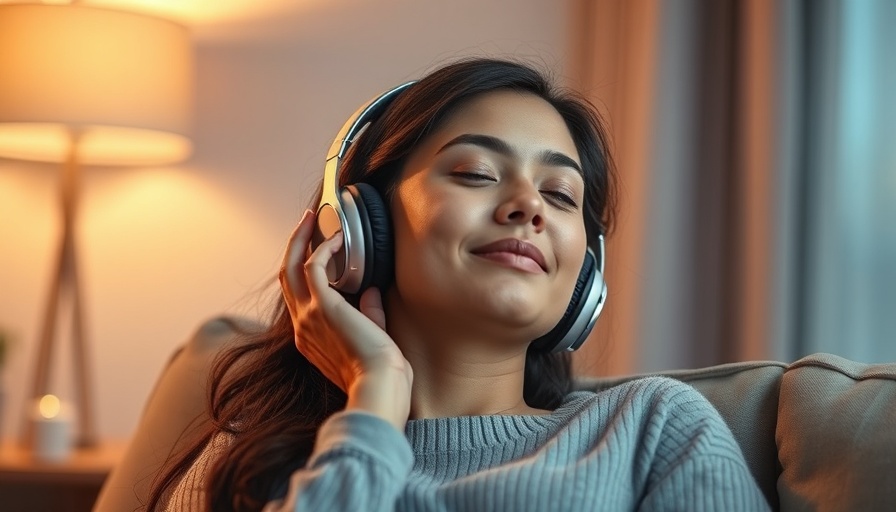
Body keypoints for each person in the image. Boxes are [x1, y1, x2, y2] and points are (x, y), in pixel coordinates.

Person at [148, 57, 769, 511]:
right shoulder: (245, 464)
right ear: (363, 223)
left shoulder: (652, 426)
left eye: (560, 194)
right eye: (476, 172)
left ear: (587, 273)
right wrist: (376, 402)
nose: (530, 206)